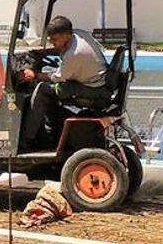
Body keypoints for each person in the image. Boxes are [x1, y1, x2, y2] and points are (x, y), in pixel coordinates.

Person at [20, 16, 109, 151]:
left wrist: (35, 75)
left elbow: (57, 77)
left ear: (66, 35)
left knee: (42, 90)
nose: (52, 42)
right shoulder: (78, 35)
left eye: (54, 40)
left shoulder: (74, 54)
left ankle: (25, 141)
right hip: (96, 80)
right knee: (50, 91)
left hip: (91, 89)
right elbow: (61, 51)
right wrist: (43, 52)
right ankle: (50, 133)